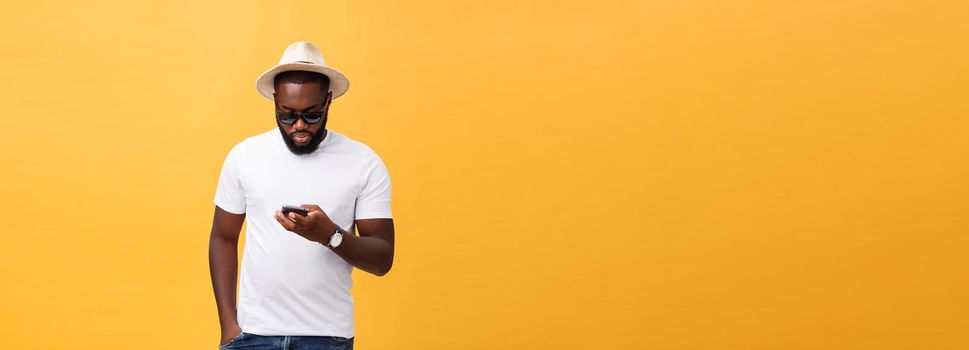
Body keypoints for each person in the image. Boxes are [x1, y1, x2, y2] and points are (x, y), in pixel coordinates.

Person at [208, 41, 395, 350]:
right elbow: (223, 238)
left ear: (329, 101)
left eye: (312, 115)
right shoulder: (245, 156)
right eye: (286, 115)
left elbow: (382, 259)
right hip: (252, 335)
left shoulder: (363, 162)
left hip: (327, 338)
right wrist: (229, 325)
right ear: (274, 101)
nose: (298, 126)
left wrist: (329, 235)